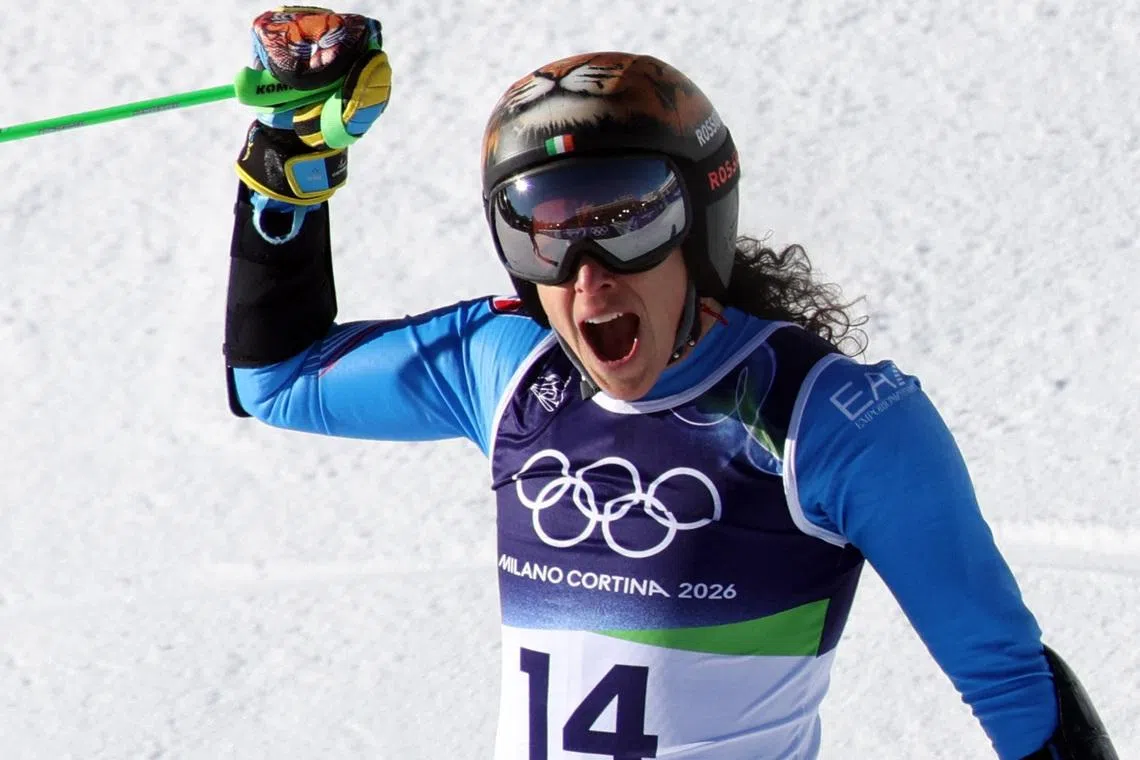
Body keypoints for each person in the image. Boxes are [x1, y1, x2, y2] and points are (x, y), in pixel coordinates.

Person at [222, 8, 1117, 759]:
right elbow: (280, 380)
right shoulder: (509, 369)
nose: (588, 275)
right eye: (543, 233)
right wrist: (290, 155)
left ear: (699, 221)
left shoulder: (826, 422)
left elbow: (1010, 684)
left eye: (626, 219)